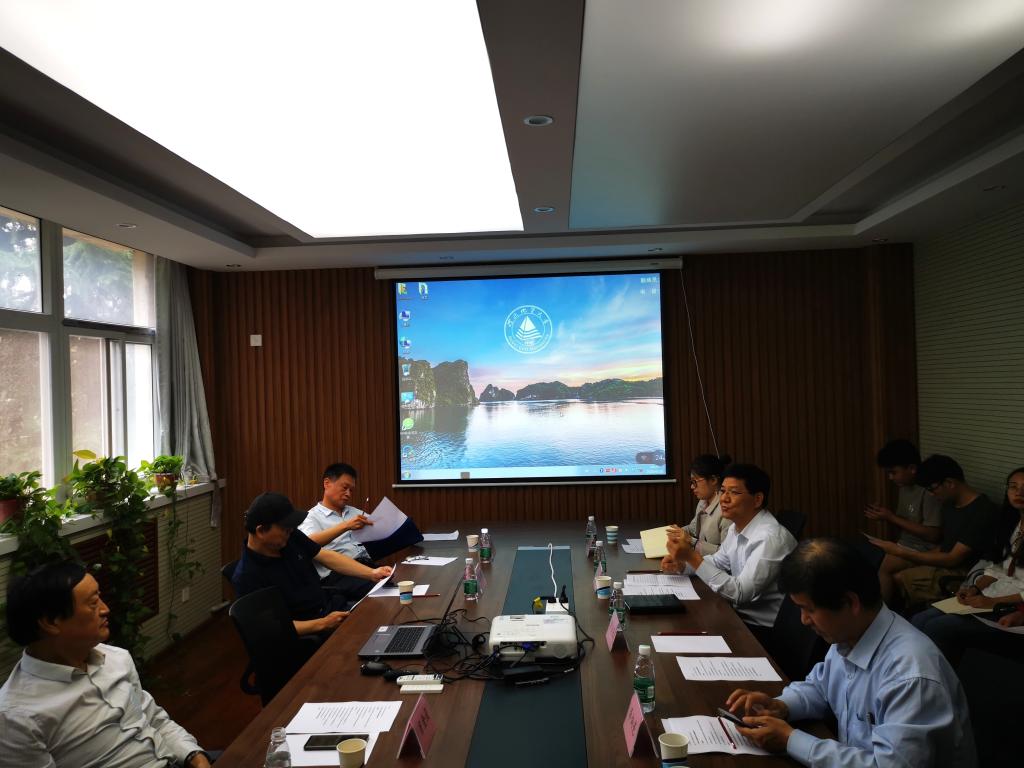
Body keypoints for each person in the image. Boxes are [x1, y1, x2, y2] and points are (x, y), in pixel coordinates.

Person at [726, 538, 976, 767]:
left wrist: (791, 740)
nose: (803, 620)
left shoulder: (910, 675)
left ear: (850, 603)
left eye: (809, 609)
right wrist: (781, 706)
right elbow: (821, 688)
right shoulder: (851, 635)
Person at [0, 561, 212, 768]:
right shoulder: (15, 717)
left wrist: (195, 756)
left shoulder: (116, 658)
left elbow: (153, 718)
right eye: (93, 603)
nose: (105, 609)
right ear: (50, 622)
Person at [662, 463, 796, 637]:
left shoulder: (770, 538)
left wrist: (692, 557)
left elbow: (740, 593)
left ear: (757, 499)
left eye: (734, 492)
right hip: (737, 616)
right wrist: (683, 565)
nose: (724, 499)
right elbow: (718, 561)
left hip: (762, 632)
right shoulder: (737, 527)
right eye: (723, 491)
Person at [231, 492, 392, 635]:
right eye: (285, 528)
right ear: (261, 531)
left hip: (330, 606)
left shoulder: (289, 537)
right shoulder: (247, 576)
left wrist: (372, 573)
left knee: (386, 614)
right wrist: (322, 624)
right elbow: (271, 627)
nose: (291, 531)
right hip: (311, 631)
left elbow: (325, 556)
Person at [910, 466, 1024, 665]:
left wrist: (993, 603)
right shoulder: (1012, 523)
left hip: (1010, 605)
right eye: (1013, 487)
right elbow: (999, 568)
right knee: (919, 619)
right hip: (992, 596)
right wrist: (975, 588)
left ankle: (935, 679)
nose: (1019, 492)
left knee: (938, 627)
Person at [868, 454, 998, 612]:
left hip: (966, 571)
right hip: (946, 560)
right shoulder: (950, 504)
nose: (931, 494)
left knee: (899, 577)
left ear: (949, 483)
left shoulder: (983, 511)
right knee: (885, 565)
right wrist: (910, 555)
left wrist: (902, 552)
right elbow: (944, 546)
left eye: (932, 489)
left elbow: (953, 558)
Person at [863, 439, 943, 602]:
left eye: (893, 472)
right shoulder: (904, 487)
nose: (890, 477)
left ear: (912, 468)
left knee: (883, 567)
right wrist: (884, 517)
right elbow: (905, 523)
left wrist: (891, 517)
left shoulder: (929, 492)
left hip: (922, 549)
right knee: (863, 555)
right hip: (903, 544)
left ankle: (881, 612)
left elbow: (933, 535)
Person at [299, 462, 379, 603]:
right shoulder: (312, 517)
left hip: (366, 566)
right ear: (327, 483)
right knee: (382, 589)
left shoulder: (355, 512)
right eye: (344, 488)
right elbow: (308, 543)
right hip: (338, 576)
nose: (348, 494)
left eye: (351, 490)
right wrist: (346, 526)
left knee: (398, 579)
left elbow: (378, 528)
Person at [680, 453, 733, 555]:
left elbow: (727, 556)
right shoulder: (703, 501)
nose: (692, 487)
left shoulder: (726, 508)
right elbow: (693, 529)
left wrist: (692, 541)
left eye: (695, 482)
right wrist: (675, 532)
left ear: (713, 480)